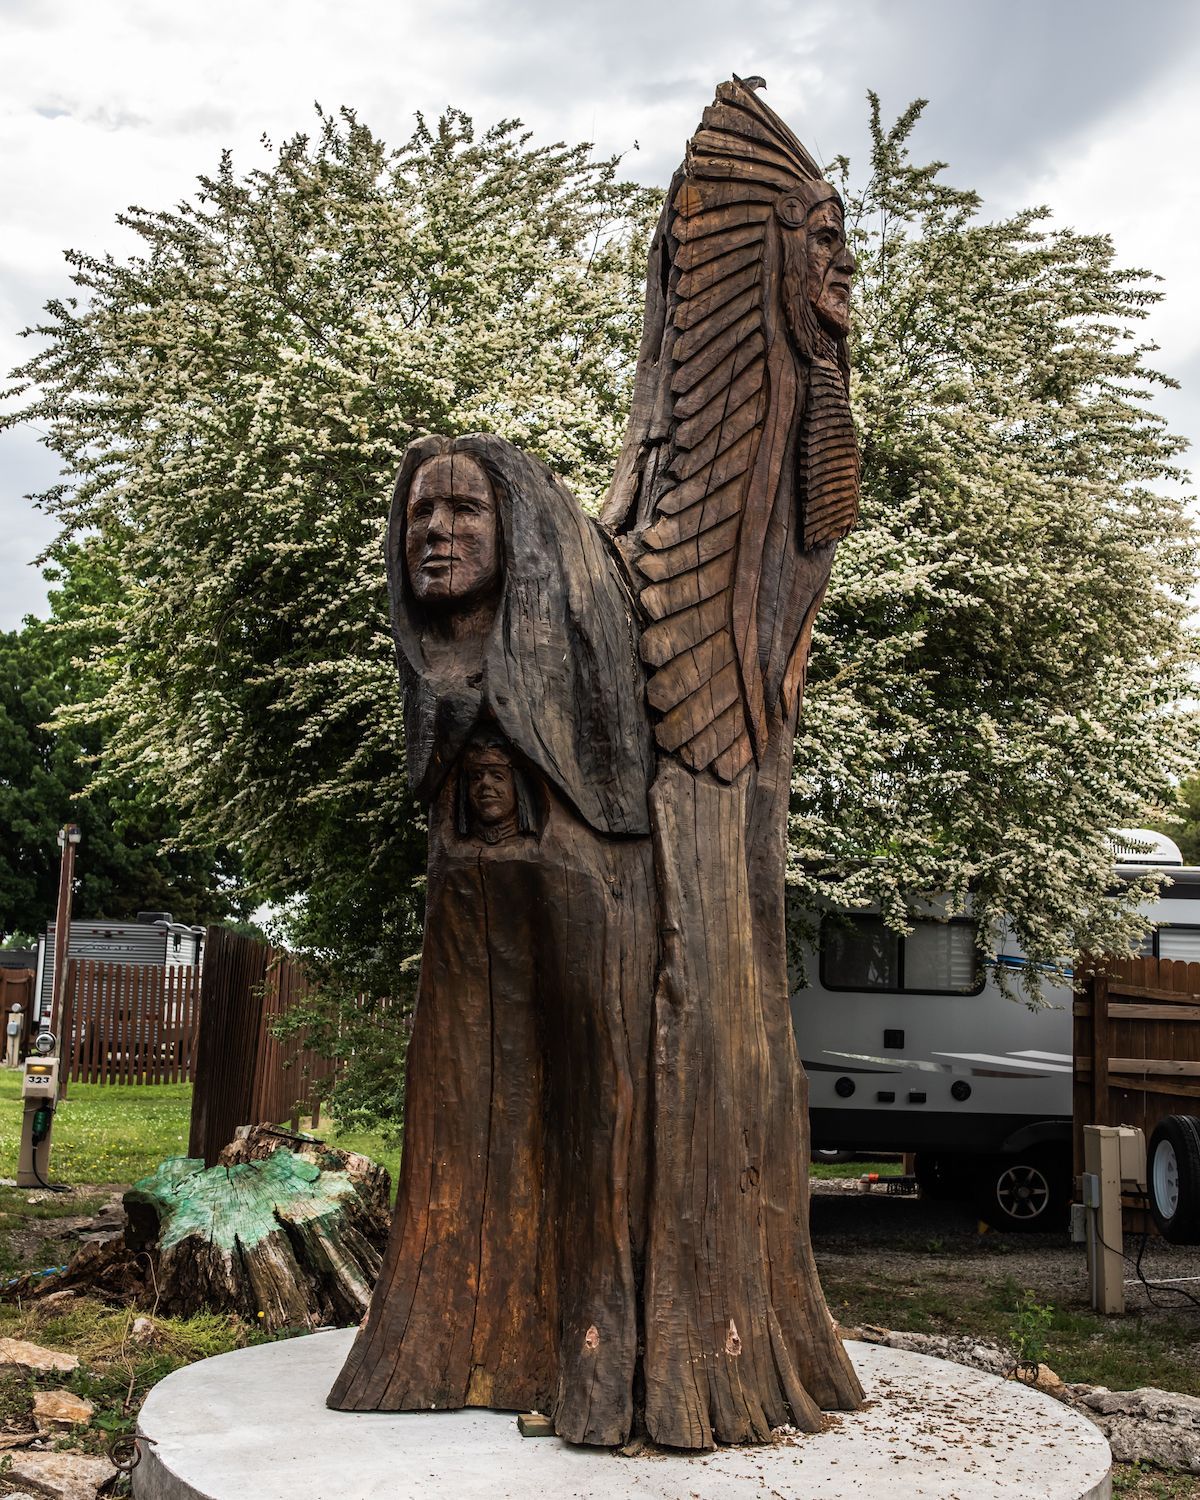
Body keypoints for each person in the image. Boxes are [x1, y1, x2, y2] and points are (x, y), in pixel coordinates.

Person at [328, 434, 655, 1446]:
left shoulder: (567, 647)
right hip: (472, 940)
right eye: (421, 514)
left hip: (584, 917)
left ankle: (598, 1341)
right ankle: (448, 1331)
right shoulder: (429, 662)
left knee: (597, 1106)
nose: (437, 532)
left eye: (464, 512)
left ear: (513, 530)